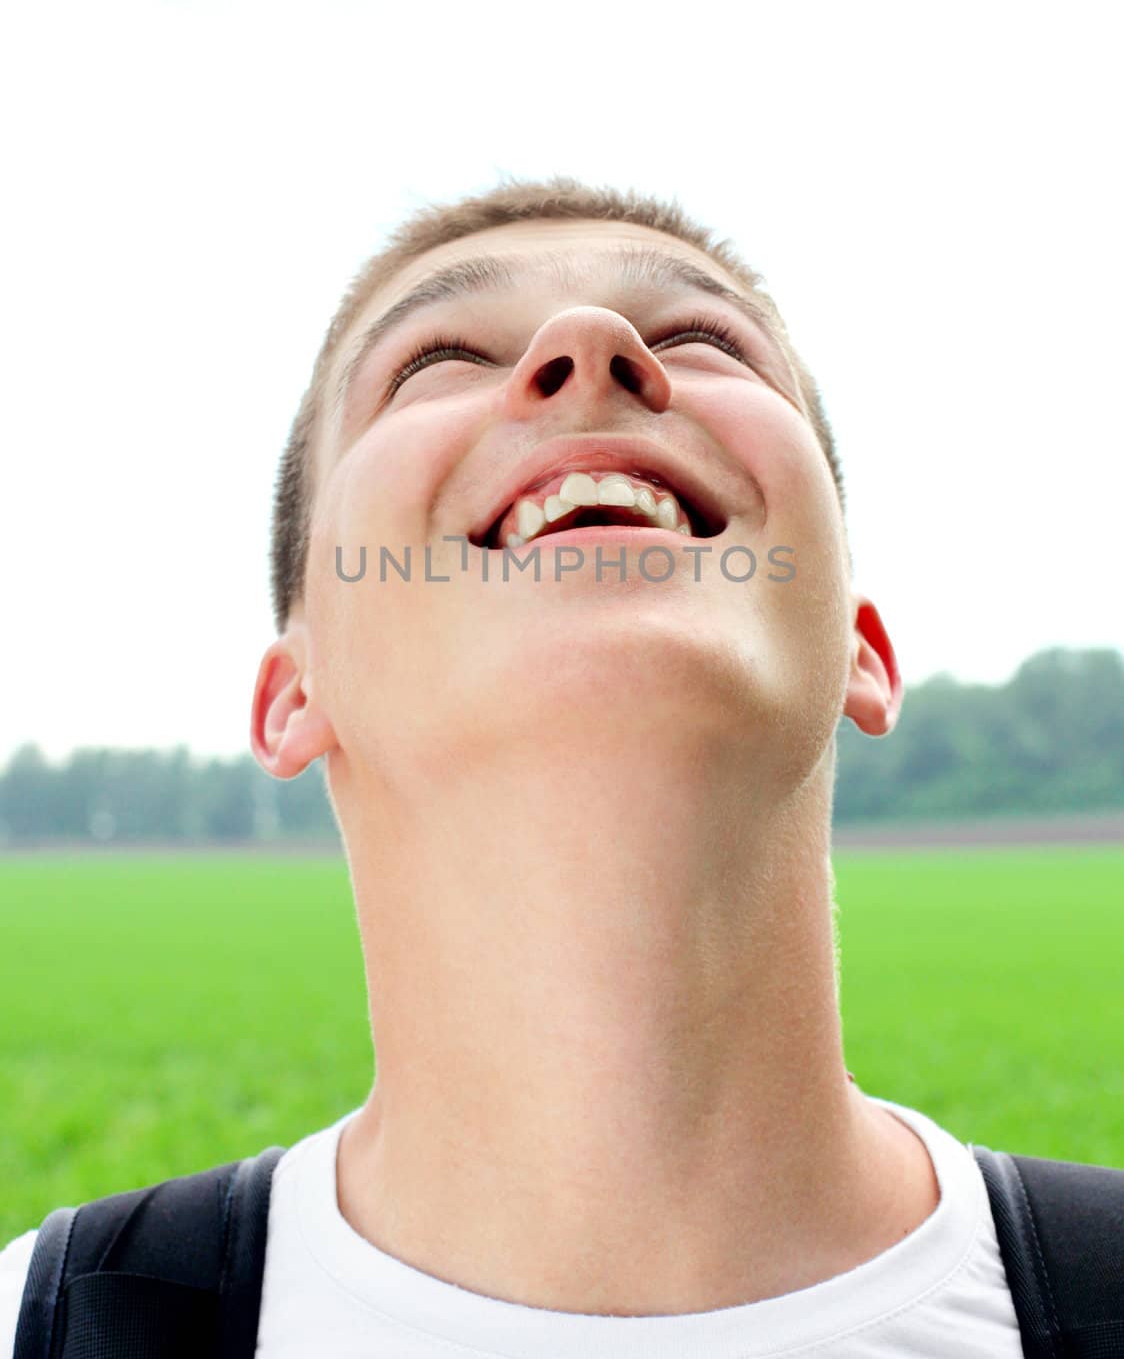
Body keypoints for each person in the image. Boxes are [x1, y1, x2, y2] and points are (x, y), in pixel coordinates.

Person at [0, 177, 1028, 1354]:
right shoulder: (43, 1323)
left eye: (698, 338)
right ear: (296, 692)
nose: (590, 347)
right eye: (435, 361)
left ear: (861, 652)